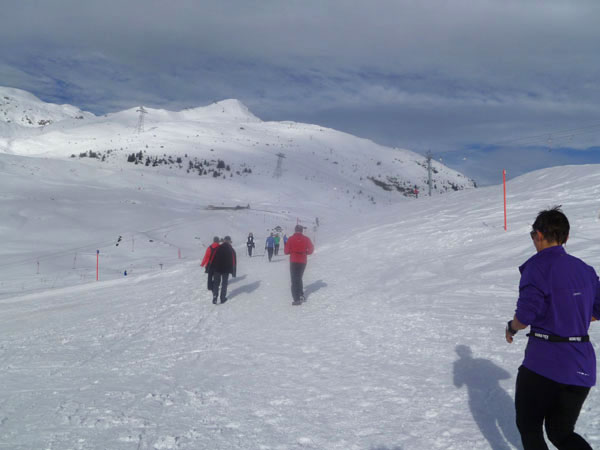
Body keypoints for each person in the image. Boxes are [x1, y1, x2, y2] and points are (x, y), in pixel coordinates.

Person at [505, 207, 600, 450]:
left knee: (529, 426)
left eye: (532, 235)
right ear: (565, 237)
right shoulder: (585, 270)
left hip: (544, 363)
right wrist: (572, 315)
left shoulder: (537, 268)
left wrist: (512, 328)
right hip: (581, 364)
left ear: (538, 235)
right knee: (561, 433)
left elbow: (525, 315)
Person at [284, 224, 314, 305]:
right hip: (303, 261)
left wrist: (291, 251)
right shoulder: (306, 239)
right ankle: (301, 294)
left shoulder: (290, 239)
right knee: (299, 277)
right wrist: (306, 252)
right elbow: (311, 249)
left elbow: (286, 251)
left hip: (294, 260)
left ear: (295, 230)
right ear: (301, 231)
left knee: (294, 279)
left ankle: (296, 299)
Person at [210, 236, 237, 304]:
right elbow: (234, 261)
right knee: (224, 283)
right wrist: (233, 272)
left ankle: (215, 297)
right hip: (226, 269)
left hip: (217, 268)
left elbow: (212, 258)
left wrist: (211, 268)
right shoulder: (231, 249)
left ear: (224, 240)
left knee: (216, 283)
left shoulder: (218, 247)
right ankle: (222, 298)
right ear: (229, 241)